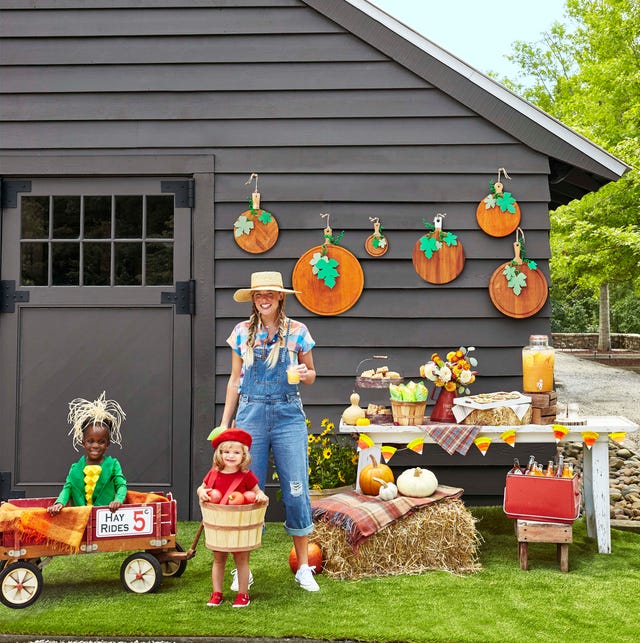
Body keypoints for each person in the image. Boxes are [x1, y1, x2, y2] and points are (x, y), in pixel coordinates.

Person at [218, 270, 320, 592]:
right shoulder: (241, 333)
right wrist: (225, 424)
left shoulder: (298, 332)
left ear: (280, 298)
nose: (263, 299)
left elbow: (312, 375)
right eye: (258, 294)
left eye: (269, 294)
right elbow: (235, 380)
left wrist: (304, 374)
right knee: (244, 493)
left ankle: (304, 567)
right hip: (250, 414)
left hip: (288, 414)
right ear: (253, 299)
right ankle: (242, 571)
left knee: (295, 489)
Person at [197, 428, 269, 608]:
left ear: (244, 455)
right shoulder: (213, 473)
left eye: (236, 452)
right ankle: (217, 593)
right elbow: (201, 487)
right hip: (220, 525)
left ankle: (243, 594)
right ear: (219, 454)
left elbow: (257, 492)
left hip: (239, 526)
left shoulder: (246, 476)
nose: (230, 456)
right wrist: (202, 493)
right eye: (226, 452)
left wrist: (261, 497)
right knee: (218, 559)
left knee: (241, 560)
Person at [47, 392, 127, 515]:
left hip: (105, 517)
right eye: (90, 441)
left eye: (101, 442)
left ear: (108, 444)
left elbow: (121, 485)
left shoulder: (113, 464)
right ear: (83, 443)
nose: (95, 446)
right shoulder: (75, 468)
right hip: (81, 518)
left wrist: (118, 500)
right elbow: (67, 488)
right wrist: (59, 503)